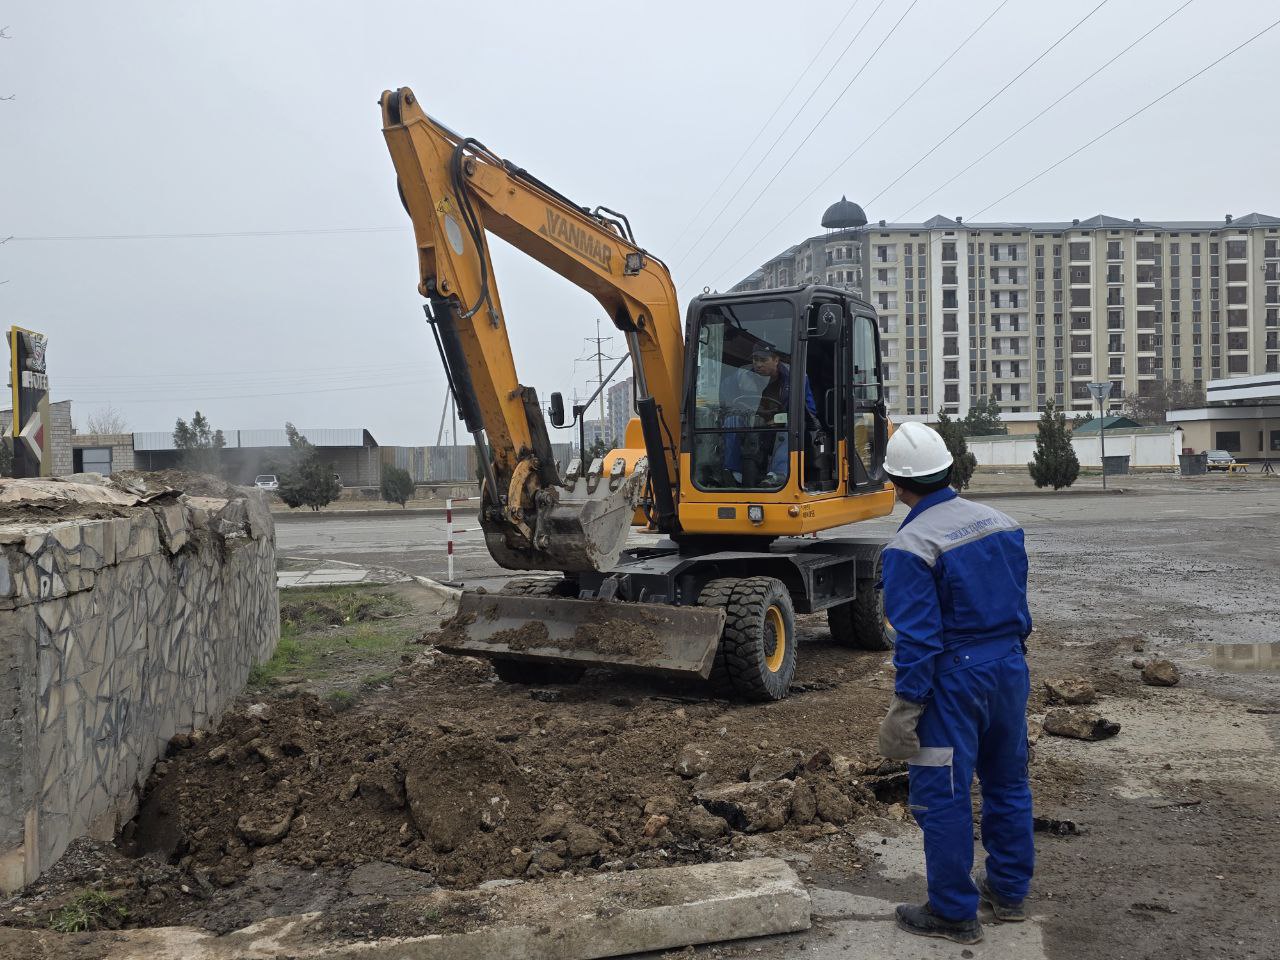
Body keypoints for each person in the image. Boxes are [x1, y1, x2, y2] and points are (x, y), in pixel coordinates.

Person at [875, 421, 1034, 946]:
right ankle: (1009, 893)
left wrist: (906, 706)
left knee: (941, 797)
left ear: (898, 485)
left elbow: (919, 642)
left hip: (953, 683)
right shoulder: (1002, 522)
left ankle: (952, 913)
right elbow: (1017, 603)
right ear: (949, 468)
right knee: (1008, 782)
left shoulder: (909, 546)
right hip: (1009, 669)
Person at [723, 344, 818, 487]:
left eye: (763, 360)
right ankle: (733, 471)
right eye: (755, 360)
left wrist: (780, 418)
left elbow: (807, 410)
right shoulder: (742, 374)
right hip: (753, 419)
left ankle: (779, 474)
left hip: (783, 421)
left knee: (791, 425)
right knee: (732, 420)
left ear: (776, 360)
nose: (758, 365)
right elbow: (726, 398)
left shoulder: (796, 376)